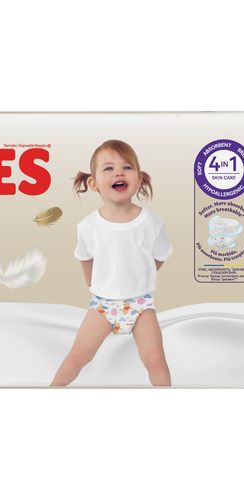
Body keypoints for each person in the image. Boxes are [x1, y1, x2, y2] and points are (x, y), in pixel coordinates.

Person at [50, 140, 173, 387]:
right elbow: (85, 257)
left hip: (140, 305)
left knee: (156, 361)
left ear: (139, 179)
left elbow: (161, 256)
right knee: (77, 357)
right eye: (108, 168)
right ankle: (51, 391)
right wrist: (94, 283)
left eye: (127, 167)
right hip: (103, 306)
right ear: (93, 183)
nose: (118, 173)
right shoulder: (88, 226)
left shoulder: (151, 222)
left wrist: (141, 274)